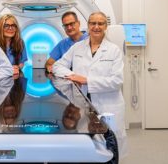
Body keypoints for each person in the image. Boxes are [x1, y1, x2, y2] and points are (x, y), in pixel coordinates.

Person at [52, 11, 127, 154]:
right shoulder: (77, 47)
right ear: (87, 26)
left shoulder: (113, 50)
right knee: (86, 143)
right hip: (84, 103)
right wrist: (72, 75)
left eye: (100, 23)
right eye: (93, 23)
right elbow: (57, 66)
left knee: (110, 143)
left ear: (106, 26)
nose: (96, 27)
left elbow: (117, 81)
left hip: (108, 104)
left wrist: (86, 80)